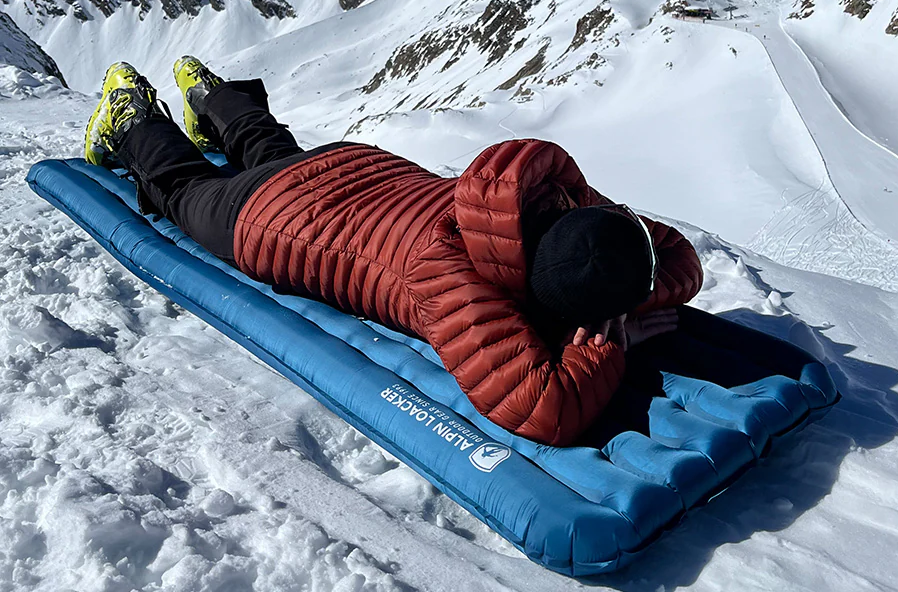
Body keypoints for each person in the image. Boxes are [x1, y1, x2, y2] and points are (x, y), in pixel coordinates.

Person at [84, 59, 703, 446]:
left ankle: (214, 96)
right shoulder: (452, 278)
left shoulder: (539, 191)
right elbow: (544, 410)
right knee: (187, 191)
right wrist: (605, 341)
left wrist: (630, 283)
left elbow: (673, 257)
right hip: (276, 221)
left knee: (274, 150)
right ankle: (133, 118)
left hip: (356, 167)